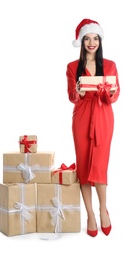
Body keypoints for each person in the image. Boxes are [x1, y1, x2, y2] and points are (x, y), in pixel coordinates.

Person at [66, 19, 120, 237]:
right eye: (87, 38)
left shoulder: (110, 65)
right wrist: (78, 92)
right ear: (81, 41)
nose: (91, 42)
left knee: (99, 164)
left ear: (100, 40)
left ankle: (103, 209)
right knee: (84, 165)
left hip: (103, 115)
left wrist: (108, 90)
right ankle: (89, 213)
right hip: (82, 117)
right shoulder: (72, 67)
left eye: (95, 38)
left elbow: (115, 96)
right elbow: (71, 97)